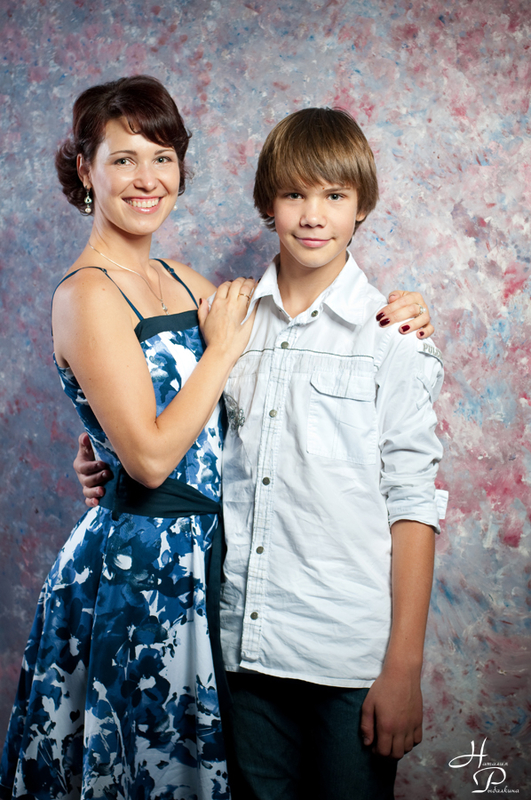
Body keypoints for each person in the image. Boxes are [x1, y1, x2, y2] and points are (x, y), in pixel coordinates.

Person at [74, 107, 445, 799]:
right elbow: (163, 419)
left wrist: (403, 667)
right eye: (294, 194)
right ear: (267, 204)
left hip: (346, 656)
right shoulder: (226, 319)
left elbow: (413, 503)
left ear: (361, 206)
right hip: (239, 652)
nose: (313, 215)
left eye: (334, 196)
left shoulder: (390, 336)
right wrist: (98, 457)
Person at [0, 75, 257, 800]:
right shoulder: (87, 293)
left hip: (206, 556)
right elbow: (146, 458)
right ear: (86, 171)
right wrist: (219, 352)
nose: (148, 179)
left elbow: (283, 349)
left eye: (162, 157)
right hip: (139, 575)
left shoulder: (179, 277)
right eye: (124, 159)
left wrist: (395, 316)